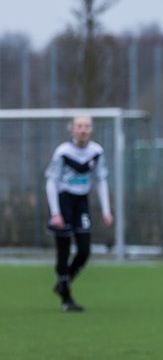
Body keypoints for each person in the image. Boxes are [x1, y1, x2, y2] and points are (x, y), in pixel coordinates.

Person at [45, 115, 114, 312]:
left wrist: (106, 210)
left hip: (81, 202)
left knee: (84, 251)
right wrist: (55, 212)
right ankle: (66, 299)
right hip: (63, 201)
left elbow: (101, 180)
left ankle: (63, 283)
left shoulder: (96, 151)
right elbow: (51, 181)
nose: (83, 129)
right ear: (72, 130)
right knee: (64, 252)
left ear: (91, 129)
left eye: (87, 126)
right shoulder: (63, 152)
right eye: (79, 126)